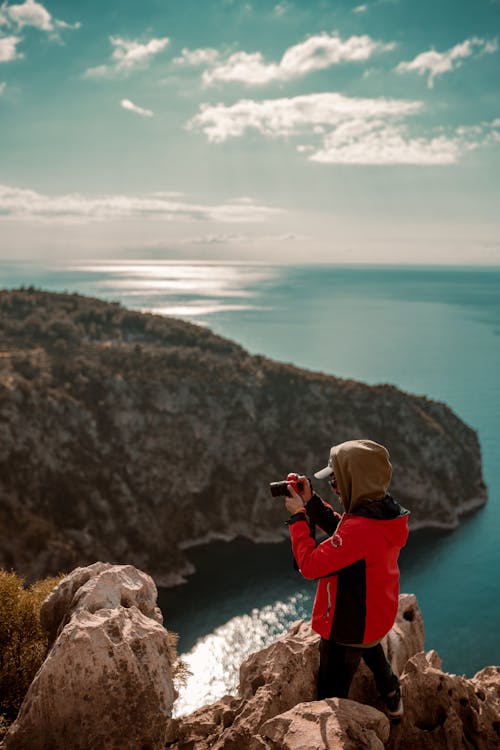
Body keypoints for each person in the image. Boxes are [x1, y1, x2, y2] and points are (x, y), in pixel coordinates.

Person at [285, 439, 409, 722]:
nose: (335, 489)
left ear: (356, 481)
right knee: (372, 648)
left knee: (331, 693)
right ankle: (391, 694)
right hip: (375, 614)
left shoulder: (360, 529)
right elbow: (347, 533)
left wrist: (298, 518)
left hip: (347, 627)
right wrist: (312, 502)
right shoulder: (383, 512)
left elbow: (310, 565)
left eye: (336, 482)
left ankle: (342, 728)